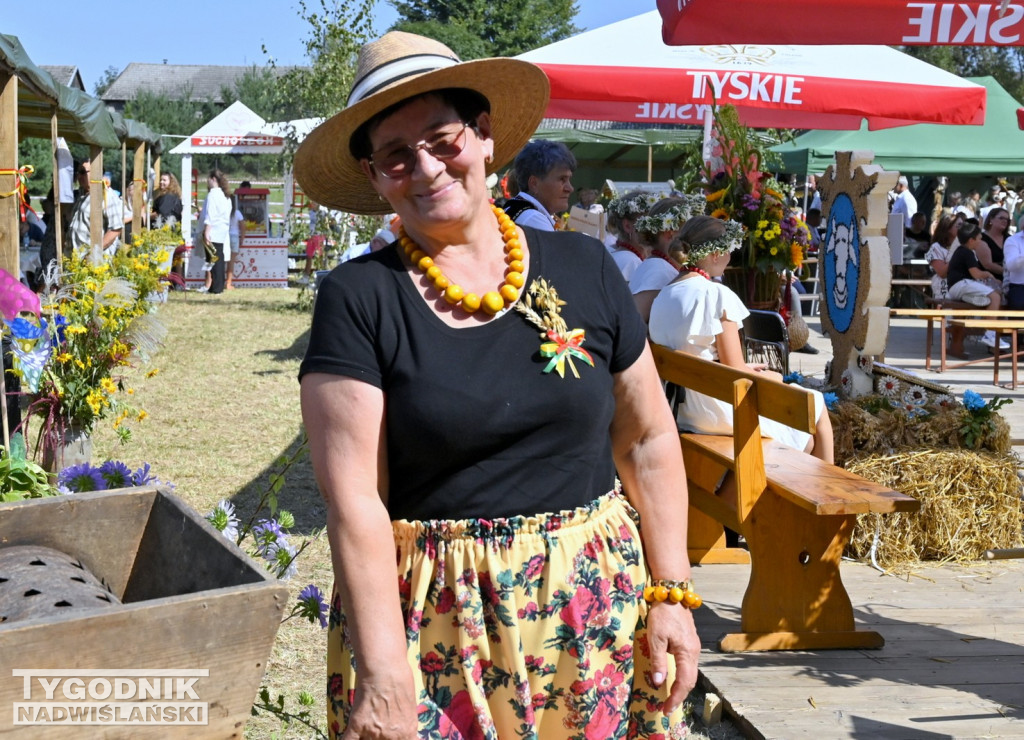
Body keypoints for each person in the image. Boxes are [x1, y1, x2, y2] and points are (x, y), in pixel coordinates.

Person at [295, 30, 698, 739]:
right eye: (395, 156)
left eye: (442, 140)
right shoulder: (359, 298)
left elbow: (647, 440)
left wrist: (672, 595)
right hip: (435, 626)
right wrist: (386, 674)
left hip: (595, 613)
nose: (425, 168)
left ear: (484, 137)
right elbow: (354, 501)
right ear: (374, 176)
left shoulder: (585, 267)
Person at [649, 215, 835, 464]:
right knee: (816, 404)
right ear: (715, 253)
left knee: (803, 425)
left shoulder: (664, 294)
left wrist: (742, 369)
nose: (730, 257)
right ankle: (827, 492)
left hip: (681, 407)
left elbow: (703, 356)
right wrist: (775, 377)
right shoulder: (715, 294)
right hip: (714, 411)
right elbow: (735, 371)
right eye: (729, 250)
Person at [630, 195, 699, 323]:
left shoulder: (659, 265)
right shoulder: (658, 271)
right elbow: (633, 324)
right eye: (688, 231)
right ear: (670, 233)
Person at [946, 221, 1006, 354]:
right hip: (961, 284)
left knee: (991, 296)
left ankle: (973, 298)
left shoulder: (962, 251)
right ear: (971, 240)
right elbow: (976, 274)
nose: (981, 242)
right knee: (995, 296)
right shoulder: (967, 252)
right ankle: (990, 333)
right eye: (979, 239)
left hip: (956, 287)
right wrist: (989, 274)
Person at [502, 139, 576, 231]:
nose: (570, 188)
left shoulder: (516, 206)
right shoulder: (534, 219)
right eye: (562, 179)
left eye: (569, 179)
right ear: (534, 184)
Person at [67, 160, 124, 256]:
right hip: (76, 260)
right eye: (78, 172)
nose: (79, 176)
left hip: (95, 262)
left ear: (96, 172)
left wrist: (93, 254)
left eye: (82, 172)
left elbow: (115, 229)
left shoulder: (107, 195)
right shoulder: (81, 195)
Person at [605, 190, 661, 283]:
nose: (655, 229)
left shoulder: (613, 252)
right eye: (647, 223)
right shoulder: (631, 262)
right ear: (627, 226)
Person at [201, 170, 231, 294]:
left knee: (213, 260)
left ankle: (216, 287)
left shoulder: (213, 194)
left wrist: (207, 231)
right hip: (222, 230)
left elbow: (210, 214)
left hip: (213, 229)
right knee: (218, 258)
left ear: (213, 179)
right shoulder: (226, 195)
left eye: (208, 179)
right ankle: (216, 286)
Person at [226, 180, 249, 289]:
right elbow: (243, 226)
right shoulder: (237, 213)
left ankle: (222, 281)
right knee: (231, 261)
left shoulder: (225, 213)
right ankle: (229, 283)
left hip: (225, 236)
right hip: (234, 237)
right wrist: (242, 238)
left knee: (223, 260)